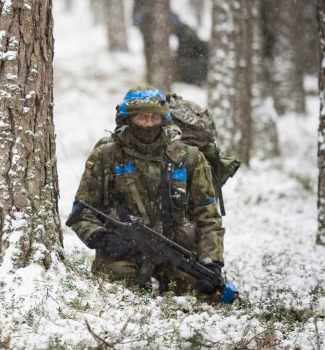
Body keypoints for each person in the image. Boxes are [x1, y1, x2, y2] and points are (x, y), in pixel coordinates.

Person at [67, 86, 225, 294]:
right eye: (142, 117)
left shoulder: (189, 158)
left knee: (203, 290)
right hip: (123, 254)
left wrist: (211, 262)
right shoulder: (106, 156)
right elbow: (81, 212)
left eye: (154, 117)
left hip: (175, 252)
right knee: (117, 289)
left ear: (164, 118)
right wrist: (103, 239)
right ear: (128, 119)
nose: (149, 124)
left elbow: (208, 217)